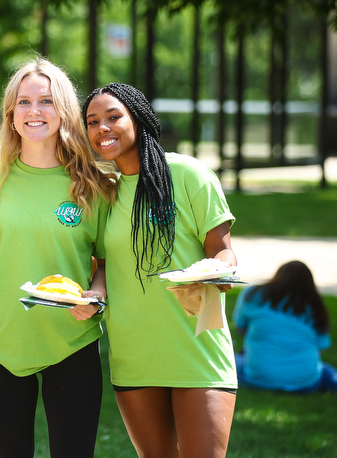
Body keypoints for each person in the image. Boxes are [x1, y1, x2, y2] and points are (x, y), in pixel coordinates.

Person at [0, 58, 117, 457]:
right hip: (1, 342)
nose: (34, 111)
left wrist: (96, 298)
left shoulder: (94, 185)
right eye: (24, 102)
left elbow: (103, 263)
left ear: (64, 111)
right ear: (11, 115)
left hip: (71, 342)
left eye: (47, 101)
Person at [83, 82, 238, 457]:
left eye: (113, 116)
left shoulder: (187, 173)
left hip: (197, 350)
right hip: (134, 356)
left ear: (137, 118)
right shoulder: (105, 193)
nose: (102, 127)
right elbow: (102, 267)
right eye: (92, 121)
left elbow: (224, 253)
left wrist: (215, 274)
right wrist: (95, 293)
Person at [233, 260, 337, 393]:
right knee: (326, 370)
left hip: (257, 379)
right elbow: (320, 348)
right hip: (306, 383)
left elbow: (240, 327)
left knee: (233, 360)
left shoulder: (253, 294)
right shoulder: (316, 307)